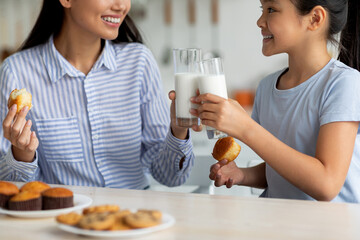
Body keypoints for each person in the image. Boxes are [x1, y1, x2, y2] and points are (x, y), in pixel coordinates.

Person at [0, 0, 201, 189]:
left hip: (136, 218)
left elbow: (170, 177)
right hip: (65, 218)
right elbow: (9, 187)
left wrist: (178, 131)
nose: (122, 5)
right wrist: (22, 154)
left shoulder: (139, 62)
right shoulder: (17, 72)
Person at [192, 0, 360, 202]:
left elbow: (326, 184)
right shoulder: (266, 87)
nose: (259, 21)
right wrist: (243, 175)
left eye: (271, 10)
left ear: (315, 19)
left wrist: (246, 127)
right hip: (280, 224)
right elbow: (283, 167)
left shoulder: (344, 84)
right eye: (261, 10)